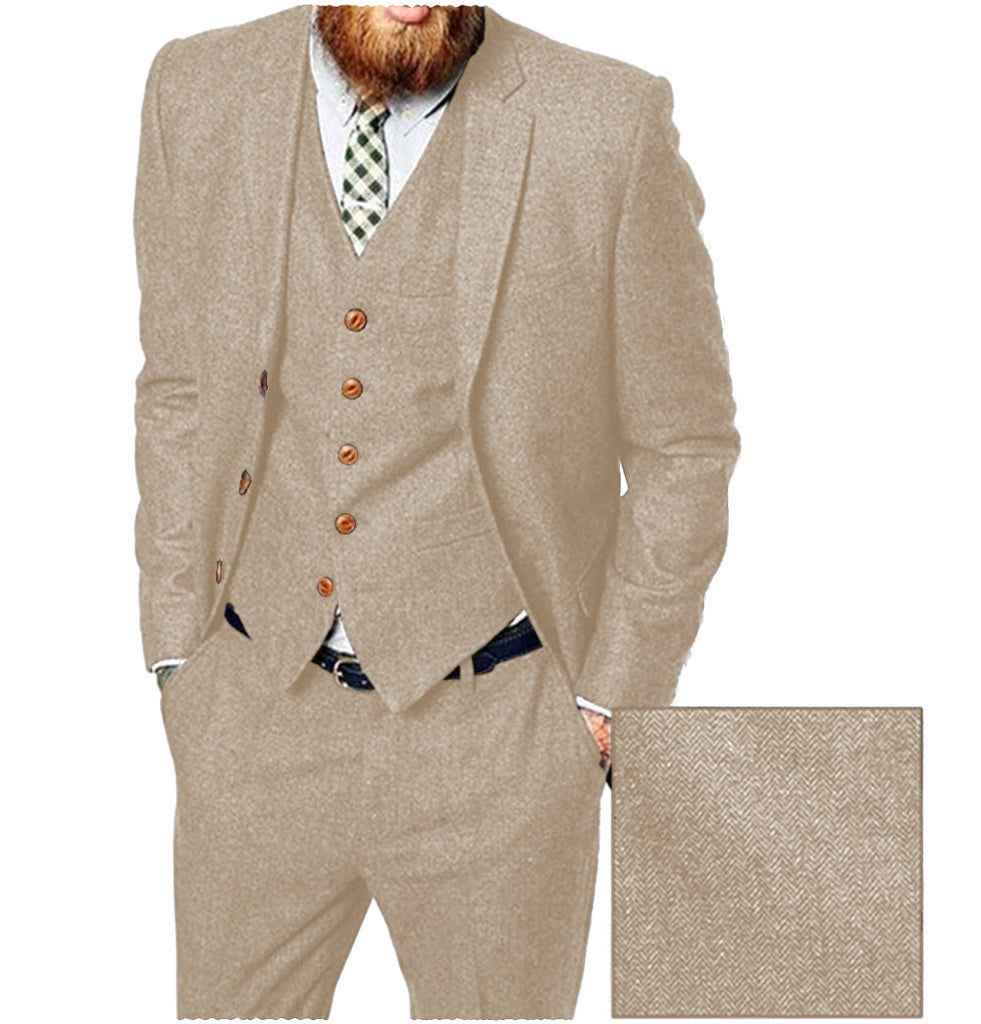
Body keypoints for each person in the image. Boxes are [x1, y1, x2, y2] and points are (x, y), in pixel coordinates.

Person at [133, 4, 739, 1018]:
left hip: (500, 741)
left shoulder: (606, 121)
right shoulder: (195, 91)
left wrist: (609, 702)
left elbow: (685, 442)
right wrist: (176, 654)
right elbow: (179, 388)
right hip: (253, 716)